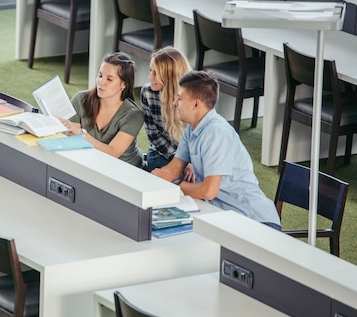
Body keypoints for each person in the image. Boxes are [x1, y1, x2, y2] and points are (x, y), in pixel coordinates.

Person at [152, 70, 281, 229]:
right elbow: (172, 170)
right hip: (221, 213)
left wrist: (179, 188)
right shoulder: (192, 129)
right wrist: (152, 180)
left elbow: (208, 191)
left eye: (179, 98)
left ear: (196, 104)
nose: (174, 103)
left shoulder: (216, 133)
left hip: (252, 220)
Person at [61, 52, 144, 167]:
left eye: (109, 79)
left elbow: (112, 152)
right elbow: (73, 139)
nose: (101, 82)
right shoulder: (80, 99)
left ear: (123, 84)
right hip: (92, 163)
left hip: (124, 169)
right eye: (100, 75)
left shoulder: (134, 115)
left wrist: (81, 134)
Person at [140, 46, 192, 173]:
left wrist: (191, 163)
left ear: (170, 76)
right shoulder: (147, 92)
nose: (149, 77)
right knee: (178, 186)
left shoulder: (193, 96)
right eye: (150, 71)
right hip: (162, 153)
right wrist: (181, 164)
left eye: (155, 73)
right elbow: (154, 136)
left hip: (193, 157)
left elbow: (200, 137)